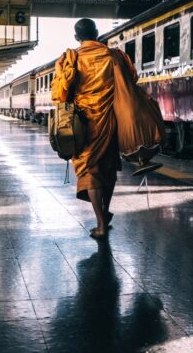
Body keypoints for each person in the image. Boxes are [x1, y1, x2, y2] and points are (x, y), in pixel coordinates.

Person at [52, 18, 123, 239]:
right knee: (108, 169)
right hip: (110, 120)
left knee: (90, 172)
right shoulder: (113, 56)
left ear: (76, 38)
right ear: (97, 33)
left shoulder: (70, 58)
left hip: (83, 125)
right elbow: (130, 81)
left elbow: (60, 94)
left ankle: (101, 224)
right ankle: (105, 212)